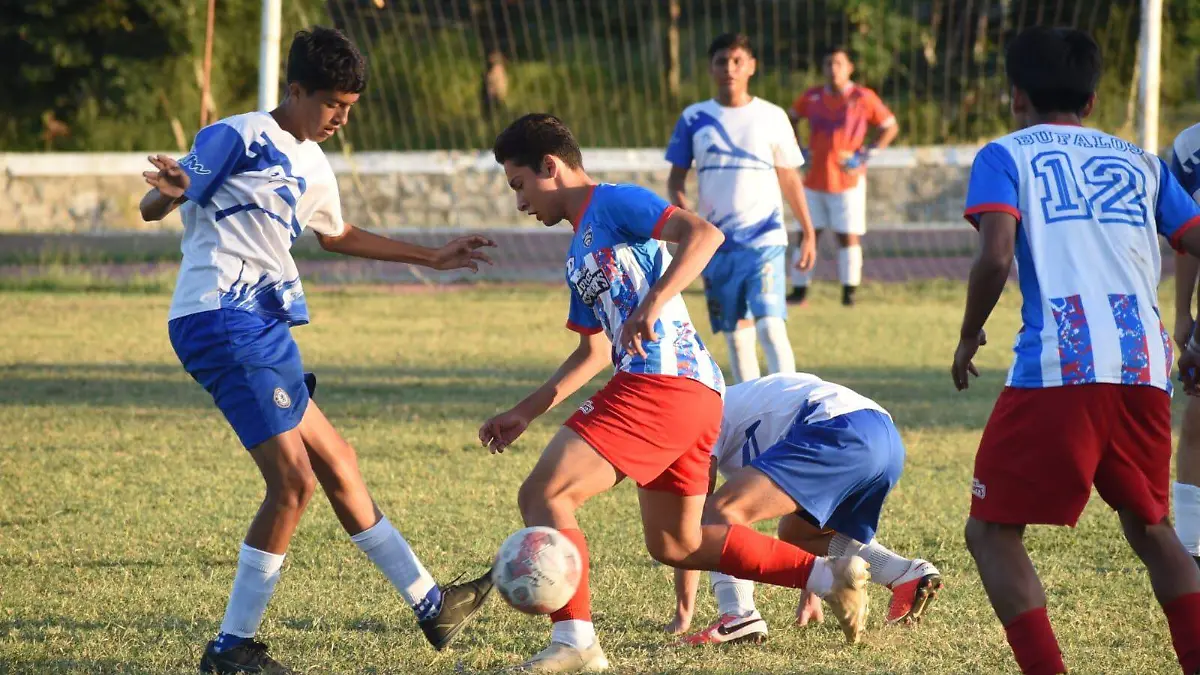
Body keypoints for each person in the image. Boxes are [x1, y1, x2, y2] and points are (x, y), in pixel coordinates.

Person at [139, 27, 496, 674]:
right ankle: (231, 647)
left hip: (263, 324)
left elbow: (338, 234)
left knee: (337, 462)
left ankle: (432, 603)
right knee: (293, 483)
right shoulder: (237, 134)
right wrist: (163, 190)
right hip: (221, 317)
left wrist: (432, 256)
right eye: (332, 102)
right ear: (296, 89)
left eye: (350, 106)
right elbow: (163, 196)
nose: (341, 117)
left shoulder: (312, 161)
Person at [482, 113, 868, 672]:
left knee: (545, 495)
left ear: (551, 166)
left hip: (659, 384)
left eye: (520, 185)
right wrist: (525, 411)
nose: (519, 202)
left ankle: (575, 642)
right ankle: (827, 575)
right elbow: (593, 352)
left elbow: (704, 234)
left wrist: (653, 301)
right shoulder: (577, 255)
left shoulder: (611, 202)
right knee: (678, 544)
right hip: (690, 394)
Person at [950, 26, 1200, 675]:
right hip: (1145, 363)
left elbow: (996, 253)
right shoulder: (1142, 161)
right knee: (1152, 529)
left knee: (991, 531)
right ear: (1091, 101)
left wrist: (969, 330)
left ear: (1015, 96)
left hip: (1063, 364)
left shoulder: (1006, 153)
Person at [664, 373, 942, 645]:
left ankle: (738, 615)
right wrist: (811, 592)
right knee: (798, 532)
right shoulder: (734, 399)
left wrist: (683, 613)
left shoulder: (699, 416)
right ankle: (904, 574)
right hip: (883, 436)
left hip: (838, 430)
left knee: (720, 513)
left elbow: (693, 523)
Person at [665, 33, 817, 382]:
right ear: (711, 68)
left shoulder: (773, 116)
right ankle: (754, 409)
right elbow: (676, 181)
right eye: (722, 61)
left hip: (765, 239)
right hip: (718, 244)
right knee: (736, 335)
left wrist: (807, 231)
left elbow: (790, 178)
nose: (729, 69)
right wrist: (690, 226)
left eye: (737, 61)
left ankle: (791, 403)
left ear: (751, 67)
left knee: (771, 328)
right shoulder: (694, 118)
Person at [786, 46, 899, 307]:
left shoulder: (862, 96)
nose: (832, 69)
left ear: (850, 68)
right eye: (828, 63)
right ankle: (799, 290)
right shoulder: (812, 96)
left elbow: (889, 127)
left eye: (838, 63)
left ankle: (849, 293)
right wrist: (799, 149)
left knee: (846, 235)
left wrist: (865, 155)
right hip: (813, 179)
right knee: (805, 233)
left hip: (847, 180)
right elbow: (790, 118)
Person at [1169, 120, 1200, 568]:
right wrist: (1181, 313)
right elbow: (1188, 238)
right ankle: (1192, 547)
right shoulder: (1191, 147)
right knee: (1196, 425)